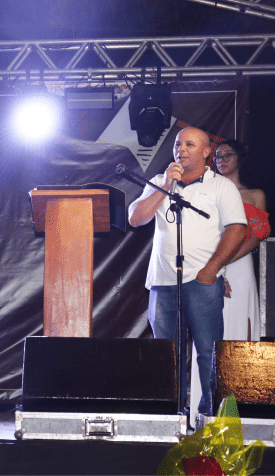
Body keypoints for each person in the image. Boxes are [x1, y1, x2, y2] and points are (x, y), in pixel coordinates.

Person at [128, 127, 247, 416]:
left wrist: (212, 269)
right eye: (178, 144)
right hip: (162, 282)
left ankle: (210, 417)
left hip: (202, 281)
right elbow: (135, 218)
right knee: (167, 354)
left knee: (208, 351)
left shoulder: (221, 186)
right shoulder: (159, 181)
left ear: (206, 152)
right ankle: (171, 414)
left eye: (189, 144)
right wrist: (166, 184)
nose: (180, 149)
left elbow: (237, 229)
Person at [189, 139, 270, 426]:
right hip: (209, 267)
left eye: (227, 155)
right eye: (218, 156)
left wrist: (221, 264)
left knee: (237, 330)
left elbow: (255, 237)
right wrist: (213, 268)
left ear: (239, 159)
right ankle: (203, 410)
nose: (221, 160)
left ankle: (237, 414)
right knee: (208, 334)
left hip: (236, 267)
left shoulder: (254, 194)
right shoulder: (208, 191)